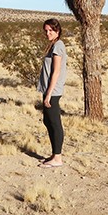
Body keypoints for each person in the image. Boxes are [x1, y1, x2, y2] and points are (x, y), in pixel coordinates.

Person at [37, 18, 66, 168]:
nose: (47, 33)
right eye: (46, 30)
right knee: (48, 121)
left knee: (54, 123)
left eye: (50, 30)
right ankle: (55, 154)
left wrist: (48, 94)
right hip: (48, 89)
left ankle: (58, 158)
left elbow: (56, 72)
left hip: (53, 91)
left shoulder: (58, 46)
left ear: (57, 31)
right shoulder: (53, 45)